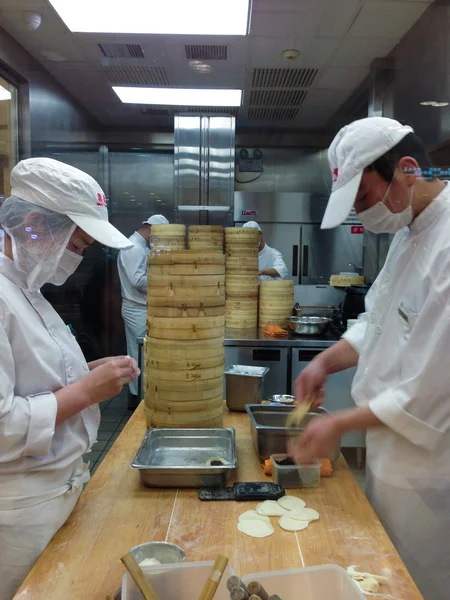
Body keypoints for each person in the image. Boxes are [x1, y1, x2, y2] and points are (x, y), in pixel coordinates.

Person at [291, 116, 450, 600]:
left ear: (407, 170)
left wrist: (338, 423)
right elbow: (376, 322)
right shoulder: (409, 234)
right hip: (390, 451)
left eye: (363, 199)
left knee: (417, 583)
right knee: (384, 574)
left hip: (431, 467)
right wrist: (324, 363)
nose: (364, 215)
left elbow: (431, 389)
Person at [0, 157, 140, 599]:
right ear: (36, 225)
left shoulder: (26, 287)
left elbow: (32, 378)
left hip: (55, 491)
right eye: (76, 246)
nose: (77, 259)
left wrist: (86, 373)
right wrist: (84, 392)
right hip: (20, 513)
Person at [117, 214, 169, 407]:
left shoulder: (142, 247)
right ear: (150, 229)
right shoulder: (133, 248)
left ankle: (140, 394)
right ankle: (137, 399)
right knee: (139, 354)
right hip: (136, 309)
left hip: (142, 307)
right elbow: (137, 280)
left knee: (141, 353)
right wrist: (163, 280)